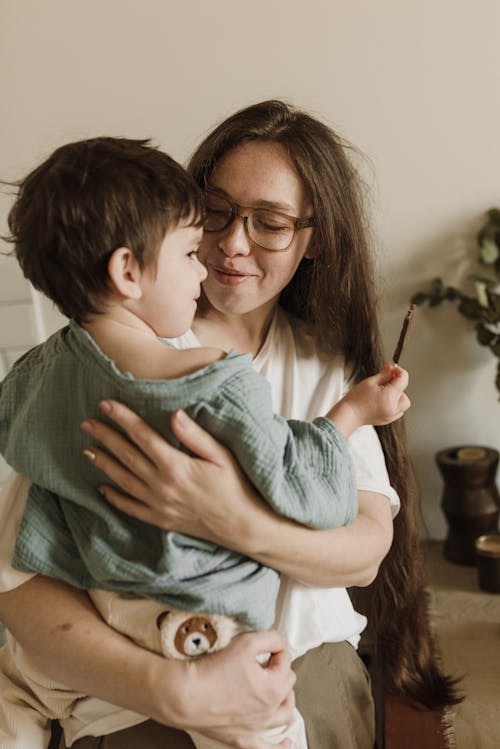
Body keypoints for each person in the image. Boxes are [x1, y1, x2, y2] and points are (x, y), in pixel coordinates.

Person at [0, 100, 460, 749]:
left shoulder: (326, 364)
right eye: (214, 213)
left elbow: (362, 553)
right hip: (128, 687)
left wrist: (225, 517)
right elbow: (17, 577)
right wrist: (172, 690)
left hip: (295, 665)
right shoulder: (109, 353)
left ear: (314, 238)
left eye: (269, 223)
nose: (232, 243)